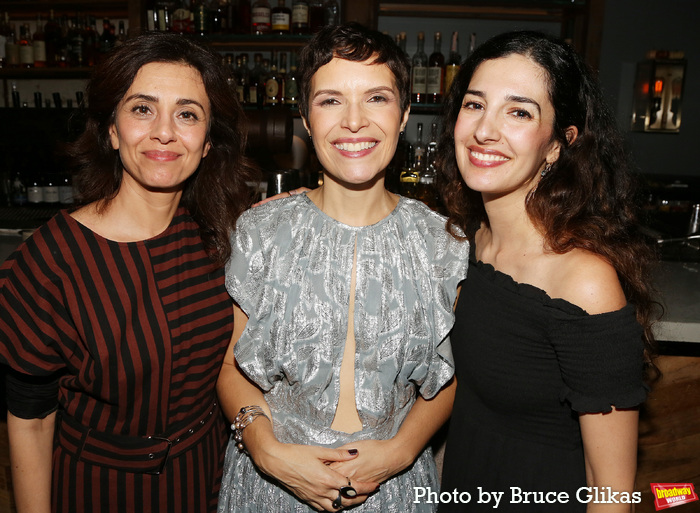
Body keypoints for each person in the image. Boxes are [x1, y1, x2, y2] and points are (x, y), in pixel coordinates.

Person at [216, 22, 469, 512]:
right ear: (307, 121)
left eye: (376, 98)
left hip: (394, 488)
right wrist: (267, 451)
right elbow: (231, 366)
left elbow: (449, 377)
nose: (354, 121)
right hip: (271, 486)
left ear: (404, 114)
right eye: (331, 100)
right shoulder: (259, 232)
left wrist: (399, 451)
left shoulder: (444, 242)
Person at [0, 32, 257, 513]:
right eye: (142, 109)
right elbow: (31, 423)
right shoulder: (51, 261)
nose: (165, 131)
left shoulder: (219, 237)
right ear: (113, 130)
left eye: (187, 114)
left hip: (208, 480)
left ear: (206, 143)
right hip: (104, 490)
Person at [435, 31, 656, 512]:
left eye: (519, 112)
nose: (484, 130)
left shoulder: (582, 280)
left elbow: (612, 485)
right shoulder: (469, 243)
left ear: (559, 144)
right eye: (475, 105)